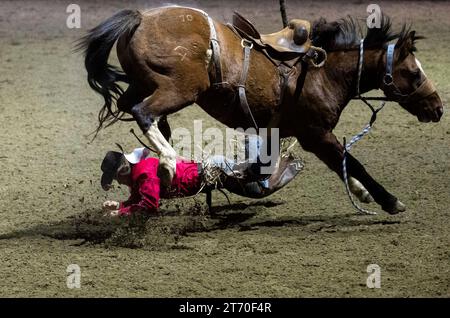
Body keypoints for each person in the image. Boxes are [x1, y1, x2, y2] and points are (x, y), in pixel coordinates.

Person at [100, 137, 303, 217]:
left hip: (213, 172)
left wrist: (120, 213)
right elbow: (140, 199)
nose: (117, 183)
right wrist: (120, 205)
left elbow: (149, 206)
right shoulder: (141, 172)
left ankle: (269, 138)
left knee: (259, 185)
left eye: (116, 178)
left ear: (123, 172)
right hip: (210, 170)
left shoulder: (145, 176)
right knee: (256, 182)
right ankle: (262, 142)